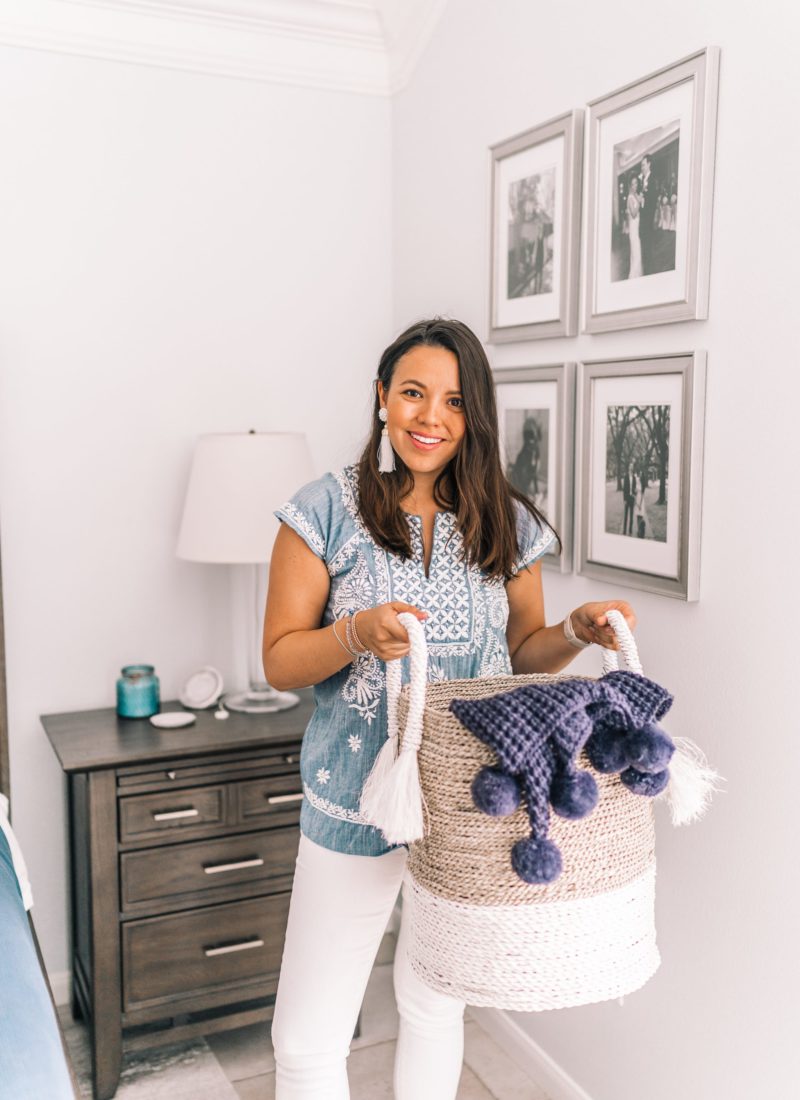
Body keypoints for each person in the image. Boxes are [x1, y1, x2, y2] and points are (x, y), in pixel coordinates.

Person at [261, 317, 636, 1100]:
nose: (431, 417)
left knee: (433, 1003)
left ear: (476, 417)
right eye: (413, 394)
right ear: (381, 399)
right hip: (352, 805)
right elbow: (279, 659)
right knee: (305, 1041)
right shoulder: (322, 511)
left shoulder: (506, 519)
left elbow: (522, 649)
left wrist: (574, 631)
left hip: (470, 807)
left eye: (455, 401)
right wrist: (357, 632)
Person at [626, 175, 644, 279]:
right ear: (630, 185)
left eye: (636, 183)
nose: (635, 186)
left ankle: (638, 274)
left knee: (637, 253)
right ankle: (634, 276)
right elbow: (633, 214)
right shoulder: (630, 198)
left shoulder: (635, 195)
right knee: (636, 253)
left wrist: (639, 200)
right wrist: (639, 201)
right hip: (633, 231)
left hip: (637, 229)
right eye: (632, 184)